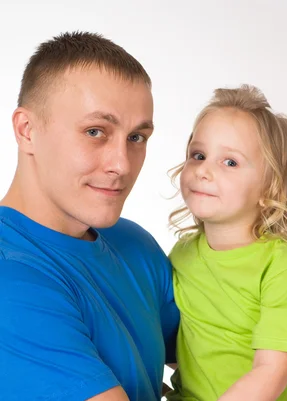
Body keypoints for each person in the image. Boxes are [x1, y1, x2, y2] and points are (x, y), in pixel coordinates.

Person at [0, 32, 180, 401]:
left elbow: (226, 359)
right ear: (27, 130)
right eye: (95, 131)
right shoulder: (10, 275)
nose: (121, 165)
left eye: (136, 137)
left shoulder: (135, 244)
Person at [165, 85, 287, 401]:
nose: (204, 170)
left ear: (271, 188)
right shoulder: (182, 255)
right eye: (198, 155)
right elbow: (186, 350)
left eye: (230, 162)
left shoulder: (283, 268)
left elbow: (271, 372)